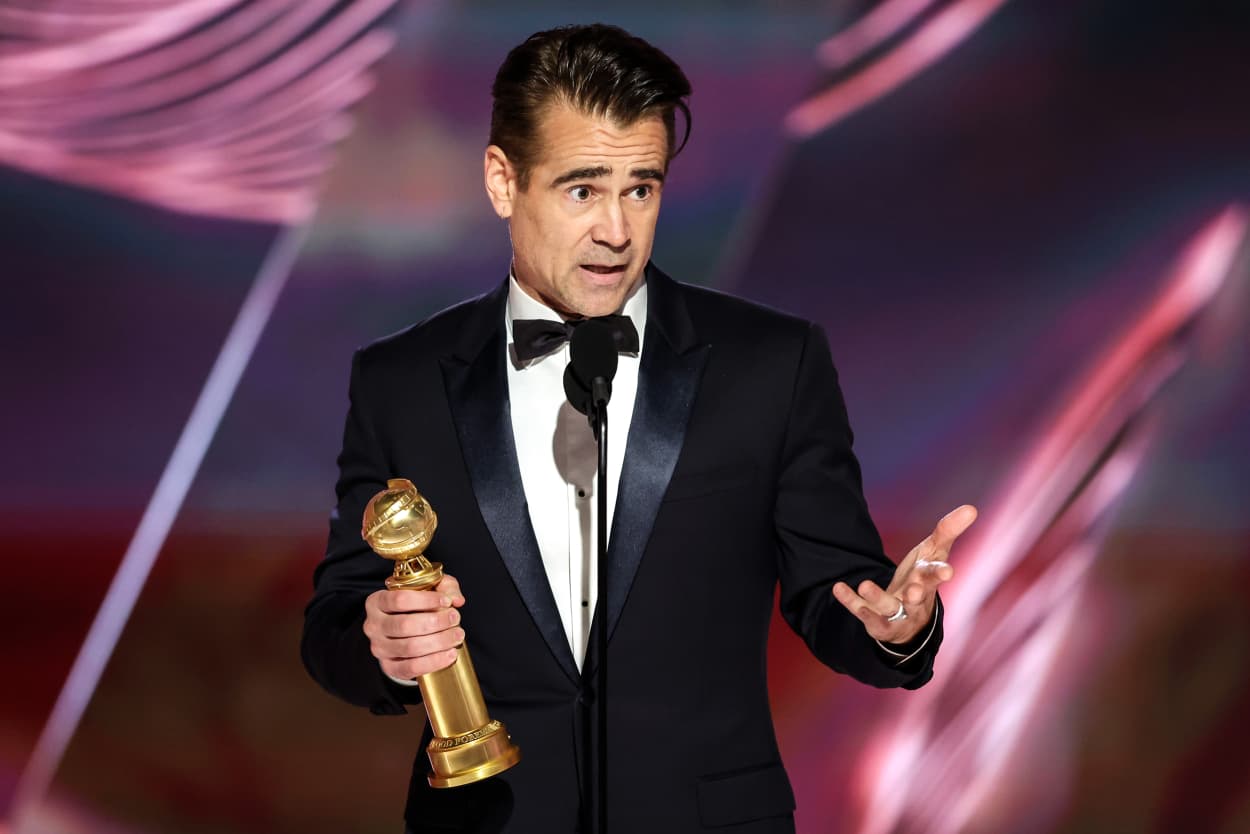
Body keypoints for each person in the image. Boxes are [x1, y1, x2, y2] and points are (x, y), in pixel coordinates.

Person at [301, 23, 976, 834]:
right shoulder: (400, 381)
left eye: (642, 189)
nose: (617, 231)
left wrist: (898, 626)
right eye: (583, 190)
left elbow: (837, 591)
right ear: (502, 180)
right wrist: (378, 641)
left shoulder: (772, 364)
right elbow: (335, 619)